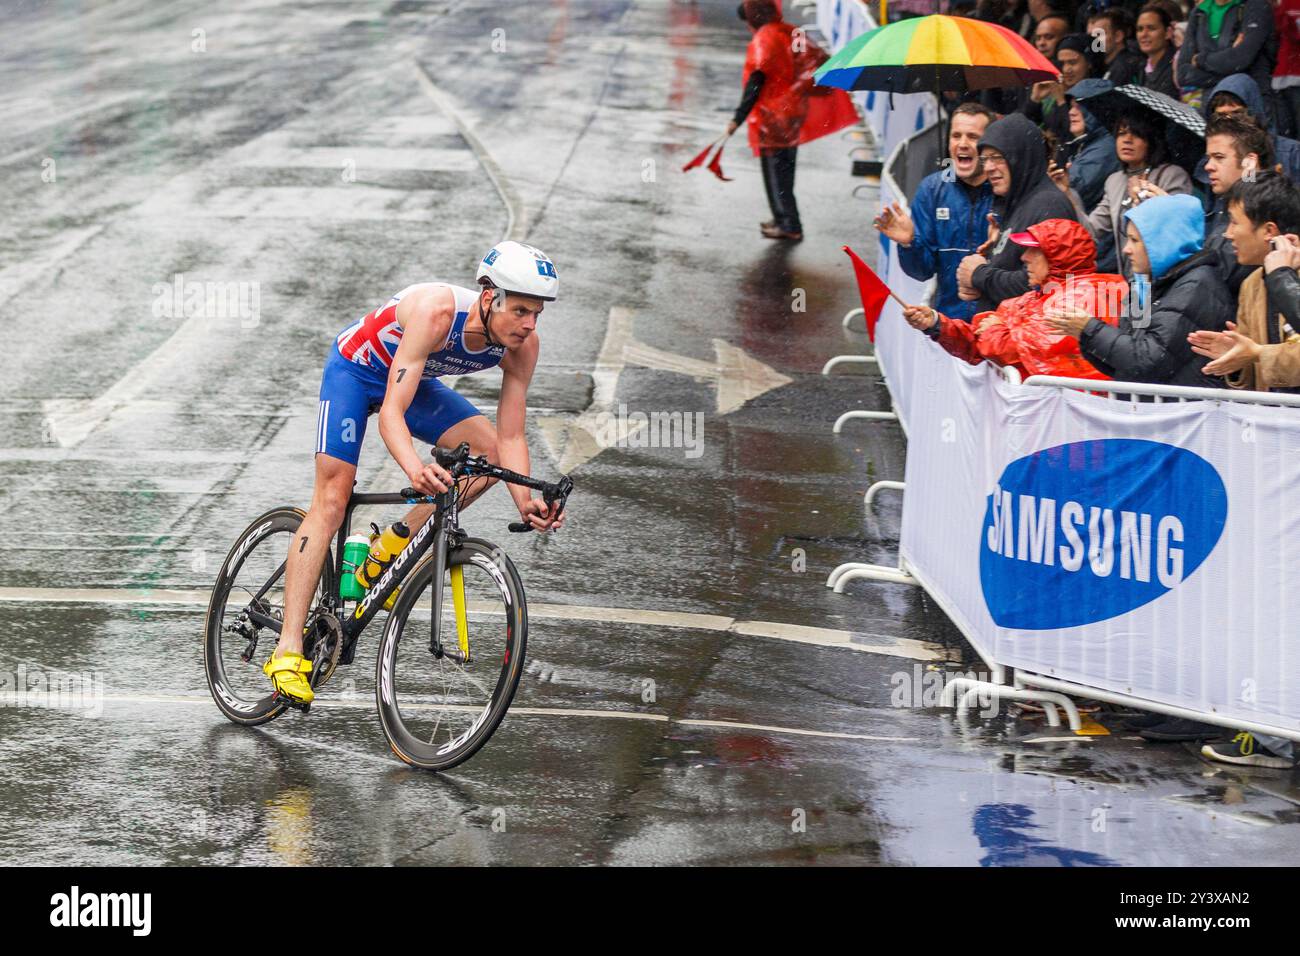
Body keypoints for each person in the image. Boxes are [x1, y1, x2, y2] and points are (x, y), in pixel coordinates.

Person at [267, 241, 565, 705]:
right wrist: (415, 469)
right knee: (332, 497)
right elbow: (391, 412)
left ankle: (386, 550)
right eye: (522, 310)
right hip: (355, 374)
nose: (529, 324)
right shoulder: (436, 313)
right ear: (489, 298)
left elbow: (509, 440)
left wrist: (525, 502)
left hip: (413, 381)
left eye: (537, 314)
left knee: (484, 455)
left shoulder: (522, 347)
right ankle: (287, 649)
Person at [1045, 193, 1233, 386]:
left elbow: (1148, 362)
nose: (1126, 249)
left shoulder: (1196, 285)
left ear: (1162, 243)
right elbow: (1123, 364)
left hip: (1181, 412)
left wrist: (1089, 329)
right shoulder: (1144, 283)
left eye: (1135, 240)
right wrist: (1084, 335)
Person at [902, 219, 1126, 380]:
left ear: (1057, 257)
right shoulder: (1036, 297)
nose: (1024, 258)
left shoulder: (1084, 294)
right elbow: (984, 342)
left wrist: (996, 330)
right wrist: (937, 324)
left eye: (1034, 251)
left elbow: (1009, 350)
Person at [874, 103, 996, 323]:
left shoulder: (1004, 189)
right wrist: (909, 244)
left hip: (997, 326)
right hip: (951, 325)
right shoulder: (932, 189)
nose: (963, 144)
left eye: (973, 137)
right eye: (956, 135)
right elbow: (922, 272)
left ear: (989, 145)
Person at [1188, 171, 1300, 390]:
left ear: (1269, 230)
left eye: (1233, 222)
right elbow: (1253, 375)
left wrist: (1258, 353)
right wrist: (1236, 360)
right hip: (1270, 420)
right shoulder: (1251, 284)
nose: (1227, 234)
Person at [956, 114, 1080, 310]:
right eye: (985, 159)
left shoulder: (1050, 206)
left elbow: (1041, 285)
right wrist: (986, 267)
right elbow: (1011, 271)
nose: (988, 167)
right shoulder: (1017, 201)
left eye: (997, 158)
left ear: (1022, 157)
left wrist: (979, 275)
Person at [1052, 109, 1194, 277]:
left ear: (1151, 140)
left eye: (1136, 134)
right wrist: (1068, 192)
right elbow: (1090, 231)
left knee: (1147, 304)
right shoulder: (1115, 181)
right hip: (1131, 281)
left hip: (1163, 278)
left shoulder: (1172, 176)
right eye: (1121, 134)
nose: (1127, 140)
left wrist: (1141, 199)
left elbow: (1175, 230)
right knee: (1137, 304)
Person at [728, 0, 807, 240]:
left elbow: (756, 81)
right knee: (785, 170)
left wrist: (737, 117)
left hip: (774, 117)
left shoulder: (764, 39)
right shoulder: (788, 31)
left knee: (775, 172)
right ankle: (783, 217)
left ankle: (788, 224)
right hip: (792, 112)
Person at [1201, 113, 1276, 288]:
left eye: (1219, 157)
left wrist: (1172, 229)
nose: (1208, 166)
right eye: (1208, 157)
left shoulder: (1267, 207)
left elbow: (1212, 279)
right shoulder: (1226, 203)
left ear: (1250, 164)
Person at [1175, 0, 1277, 110]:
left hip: (1251, 107)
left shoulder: (1255, 6)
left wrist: (1200, 60)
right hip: (1213, 109)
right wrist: (1229, 62)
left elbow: (1241, 59)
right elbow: (1183, 74)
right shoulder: (1199, 12)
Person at [1201, 73, 1300, 181]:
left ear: (1253, 112)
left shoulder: (1291, 152)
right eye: (1221, 116)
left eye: (1236, 113)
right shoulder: (1211, 160)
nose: (1229, 121)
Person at [1053, 80, 1122, 211]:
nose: (1071, 112)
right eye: (1071, 106)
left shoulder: (1106, 148)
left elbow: (1074, 187)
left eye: (1079, 107)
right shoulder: (1088, 142)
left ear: (1098, 110)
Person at [1025, 33, 1102, 144]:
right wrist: (1035, 100)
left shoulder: (1098, 93)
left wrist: (1061, 101)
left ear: (1089, 63)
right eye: (1062, 63)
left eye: (1072, 62)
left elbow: (1072, 134)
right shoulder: (1056, 91)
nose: (1066, 69)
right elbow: (1028, 127)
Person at [1133, 3, 1180, 97]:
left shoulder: (1178, 65)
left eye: (1151, 28)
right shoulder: (1141, 68)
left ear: (1168, 32)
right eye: (1140, 29)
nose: (1144, 34)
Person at [1088, 8, 1146, 85]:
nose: (1093, 40)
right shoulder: (1102, 66)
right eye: (1091, 36)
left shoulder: (1124, 69)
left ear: (1118, 36)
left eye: (1099, 34)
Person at [1274, 0, 1300, 138]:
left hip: (1296, 79)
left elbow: (1295, 35)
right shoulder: (1284, 4)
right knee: (1284, 134)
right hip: (1279, 80)